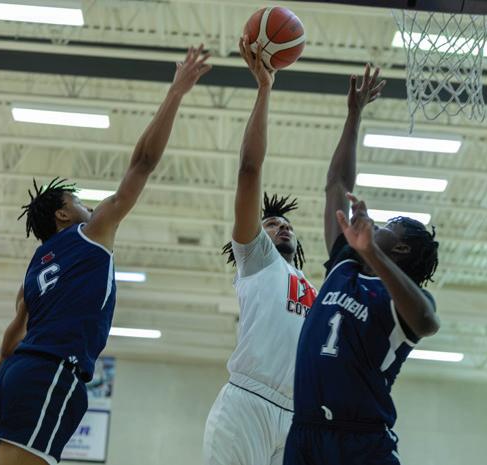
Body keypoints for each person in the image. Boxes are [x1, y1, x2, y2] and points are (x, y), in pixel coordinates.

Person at [0, 45, 212, 465]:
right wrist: (175, 93)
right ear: (62, 215)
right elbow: (142, 163)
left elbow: (5, 352)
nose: (88, 206)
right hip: (51, 374)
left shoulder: (32, 273)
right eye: (77, 201)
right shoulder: (90, 234)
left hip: (15, 378)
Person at [284, 65, 440, 465]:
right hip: (306, 434)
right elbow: (336, 184)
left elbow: (427, 322)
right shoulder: (344, 266)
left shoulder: (404, 301)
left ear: (400, 249)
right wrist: (354, 115)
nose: (375, 226)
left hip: (361, 442)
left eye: (386, 227)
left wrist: (372, 252)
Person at [202, 36, 317, 465]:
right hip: (247, 403)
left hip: (299, 415)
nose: (282, 226)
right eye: (271, 224)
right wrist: (265, 90)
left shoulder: (315, 289)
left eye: (287, 225)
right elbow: (250, 170)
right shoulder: (257, 260)